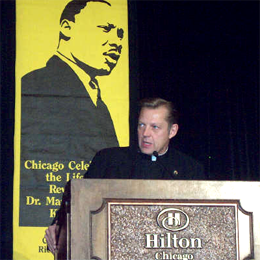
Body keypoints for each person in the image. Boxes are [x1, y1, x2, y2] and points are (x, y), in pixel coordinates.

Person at [45, 97, 206, 254]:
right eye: (141, 125)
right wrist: (59, 225)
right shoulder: (109, 160)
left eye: (155, 127)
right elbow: (77, 200)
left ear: (172, 131)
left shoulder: (189, 169)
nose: (145, 133)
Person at [20, 0, 124, 226]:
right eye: (105, 28)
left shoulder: (98, 100)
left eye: (120, 34)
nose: (116, 42)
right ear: (67, 27)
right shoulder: (34, 86)